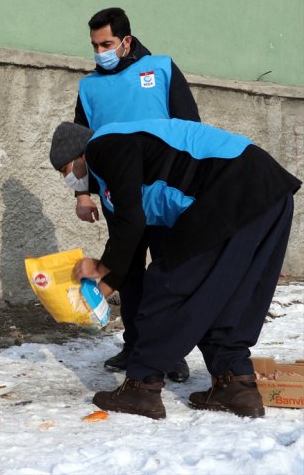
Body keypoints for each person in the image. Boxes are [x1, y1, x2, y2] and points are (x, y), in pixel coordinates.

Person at [49, 119, 300, 419]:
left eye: (66, 170)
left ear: (80, 155)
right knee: (234, 295)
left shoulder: (104, 145)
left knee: (168, 285)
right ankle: (235, 384)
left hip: (230, 185)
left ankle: (141, 387)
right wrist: (102, 287)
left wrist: (101, 266)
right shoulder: (113, 180)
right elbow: (128, 240)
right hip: (267, 190)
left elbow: (131, 224)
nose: (69, 179)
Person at [71, 7, 200, 382]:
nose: (100, 52)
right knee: (127, 271)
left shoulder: (161, 69)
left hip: (164, 194)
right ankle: (134, 344)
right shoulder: (89, 88)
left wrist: (190, 185)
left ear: (126, 41)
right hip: (117, 195)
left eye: (107, 44)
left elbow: (190, 127)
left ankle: (170, 352)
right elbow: (80, 145)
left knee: (167, 271)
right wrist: (82, 195)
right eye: (95, 46)